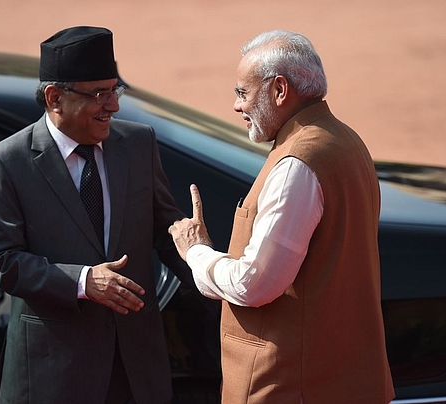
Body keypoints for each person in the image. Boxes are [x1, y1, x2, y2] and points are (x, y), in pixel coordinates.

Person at [168, 30, 395, 403]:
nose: (237, 107)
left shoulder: (297, 164)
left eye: (243, 93)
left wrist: (197, 252)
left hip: (292, 387)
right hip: (347, 381)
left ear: (279, 90)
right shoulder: (345, 140)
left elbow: (254, 284)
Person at [0, 26, 192, 404]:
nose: (114, 105)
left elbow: (165, 229)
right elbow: (1, 261)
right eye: (99, 94)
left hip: (136, 371)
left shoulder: (139, 144)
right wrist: (82, 280)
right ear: (54, 97)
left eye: (115, 90)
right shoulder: (5, 163)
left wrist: (215, 271)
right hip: (54, 378)